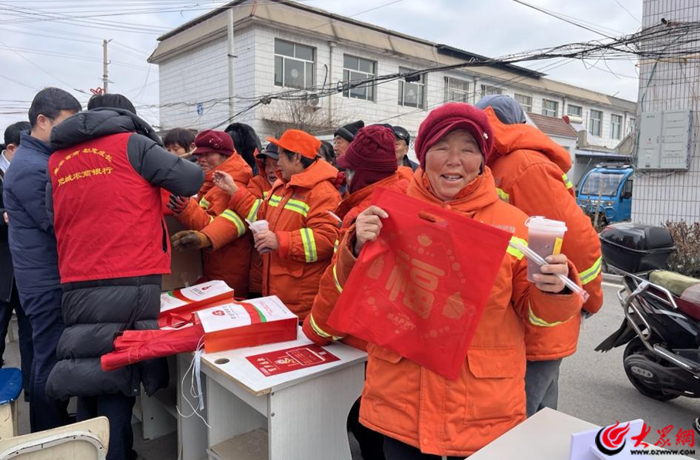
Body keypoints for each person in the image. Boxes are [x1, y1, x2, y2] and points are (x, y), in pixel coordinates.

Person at [329, 103, 584, 459]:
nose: (454, 159)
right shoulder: (388, 212)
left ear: (482, 159)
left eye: (468, 149)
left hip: (481, 408)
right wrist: (355, 246)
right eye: (441, 148)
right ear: (422, 154)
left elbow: (536, 315)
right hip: (400, 403)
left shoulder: (516, 225)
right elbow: (349, 294)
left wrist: (553, 290)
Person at [45, 94, 203, 460]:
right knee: (117, 375)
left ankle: (92, 452)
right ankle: (114, 454)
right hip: (129, 274)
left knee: (87, 372)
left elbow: (54, 209)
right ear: (127, 117)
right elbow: (191, 178)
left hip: (75, 276)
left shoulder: (58, 159)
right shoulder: (132, 143)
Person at [475, 94, 604, 417]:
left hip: (539, 312)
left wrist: (588, 297)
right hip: (521, 313)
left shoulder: (521, 166)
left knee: (524, 419)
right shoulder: (499, 164)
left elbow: (577, 241)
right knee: (534, 418)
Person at [302, 125, 409, 460]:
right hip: (394, 343)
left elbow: (343, 282)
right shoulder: (411, 196)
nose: (343, 175)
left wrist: (315, 329)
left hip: (364, 343)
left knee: (368, 429)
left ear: (362, 173)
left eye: (349, 169)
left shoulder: (364, 215)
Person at [3, 87, 81, 431]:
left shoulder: (40, 159)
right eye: (67, 124)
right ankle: (48, 435)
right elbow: (56, 222)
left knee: (52, 357)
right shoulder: (31, 167)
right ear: (42, 121)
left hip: (47, 276)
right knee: (48, 360)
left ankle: (56, 420)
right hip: (45, 280)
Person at [211, 129, 341, 318]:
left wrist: (279, 241)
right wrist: (233, 190)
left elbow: (326, 240)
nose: (277, 163)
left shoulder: (323, 193)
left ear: (296, 157)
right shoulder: (282, 186)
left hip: (301, 302)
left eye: (280, 157)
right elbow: (261, 214)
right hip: (277, 296)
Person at [169, 130, 253, 296]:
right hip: (215, 266)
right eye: (199, 155)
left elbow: (214, 227)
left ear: (224, 155)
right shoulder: (212, 181)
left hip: (227, 269)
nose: (202, 160)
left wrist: (186, 208)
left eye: (208, 154)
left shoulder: (232, 186)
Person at [0, 122, 34, 398]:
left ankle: (33, 394)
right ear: (11, 149)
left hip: (27, 270)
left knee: (31, 338)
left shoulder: (31, 172)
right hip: (2, 272)